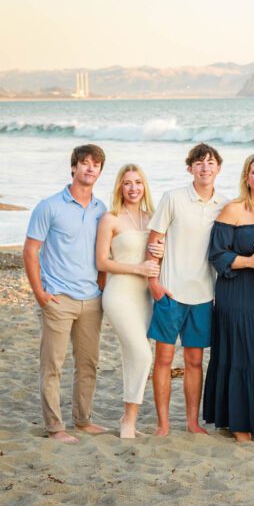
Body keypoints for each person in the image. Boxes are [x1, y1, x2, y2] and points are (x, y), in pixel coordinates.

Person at [23, 144, 109, 444]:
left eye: (95, 165)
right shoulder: (49, 206)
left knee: (88, 364)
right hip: (58, 298)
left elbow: (104, 253)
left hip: (92, 300)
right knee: (53, 365)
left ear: (100, 171)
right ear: (73, 168)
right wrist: (40, 293)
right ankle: (55, 427)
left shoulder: (101, 210)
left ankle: (83, 420)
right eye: (84, 163)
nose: (89, 169)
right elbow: (30, 251)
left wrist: (102, 284)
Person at [146, 143, 227, 436]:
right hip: (170, 293)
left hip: (204, 295)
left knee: (194, 361)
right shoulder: (173, 198)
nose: (205, 168)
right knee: (164, 360)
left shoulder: (225, 204)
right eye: (199, 163)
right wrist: (154, 284)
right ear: (190, 168)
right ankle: (163, 424)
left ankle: (192, 423)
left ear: (218, 168)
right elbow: (154, 242)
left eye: (210, 163)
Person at [203, 154, 254, 443]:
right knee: (243, 355)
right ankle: (238, 423)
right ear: (246, 178)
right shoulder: (233, 210)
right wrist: (250, 262)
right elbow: (217, 255)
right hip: (235, 292)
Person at [95, 164, 159, 439]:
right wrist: (138, 269)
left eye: (138, 183)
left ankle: (129, 419)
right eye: (127, 183)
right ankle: (128, 419)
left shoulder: (153, 218)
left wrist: (161, 253)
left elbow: (158, 260)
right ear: (119, 187)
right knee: (143, 354)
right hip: (119, 294)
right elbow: (102, 262)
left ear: (144, 187)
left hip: (144, 297)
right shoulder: (110, 218)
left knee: (133, 356)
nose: (133, 188)